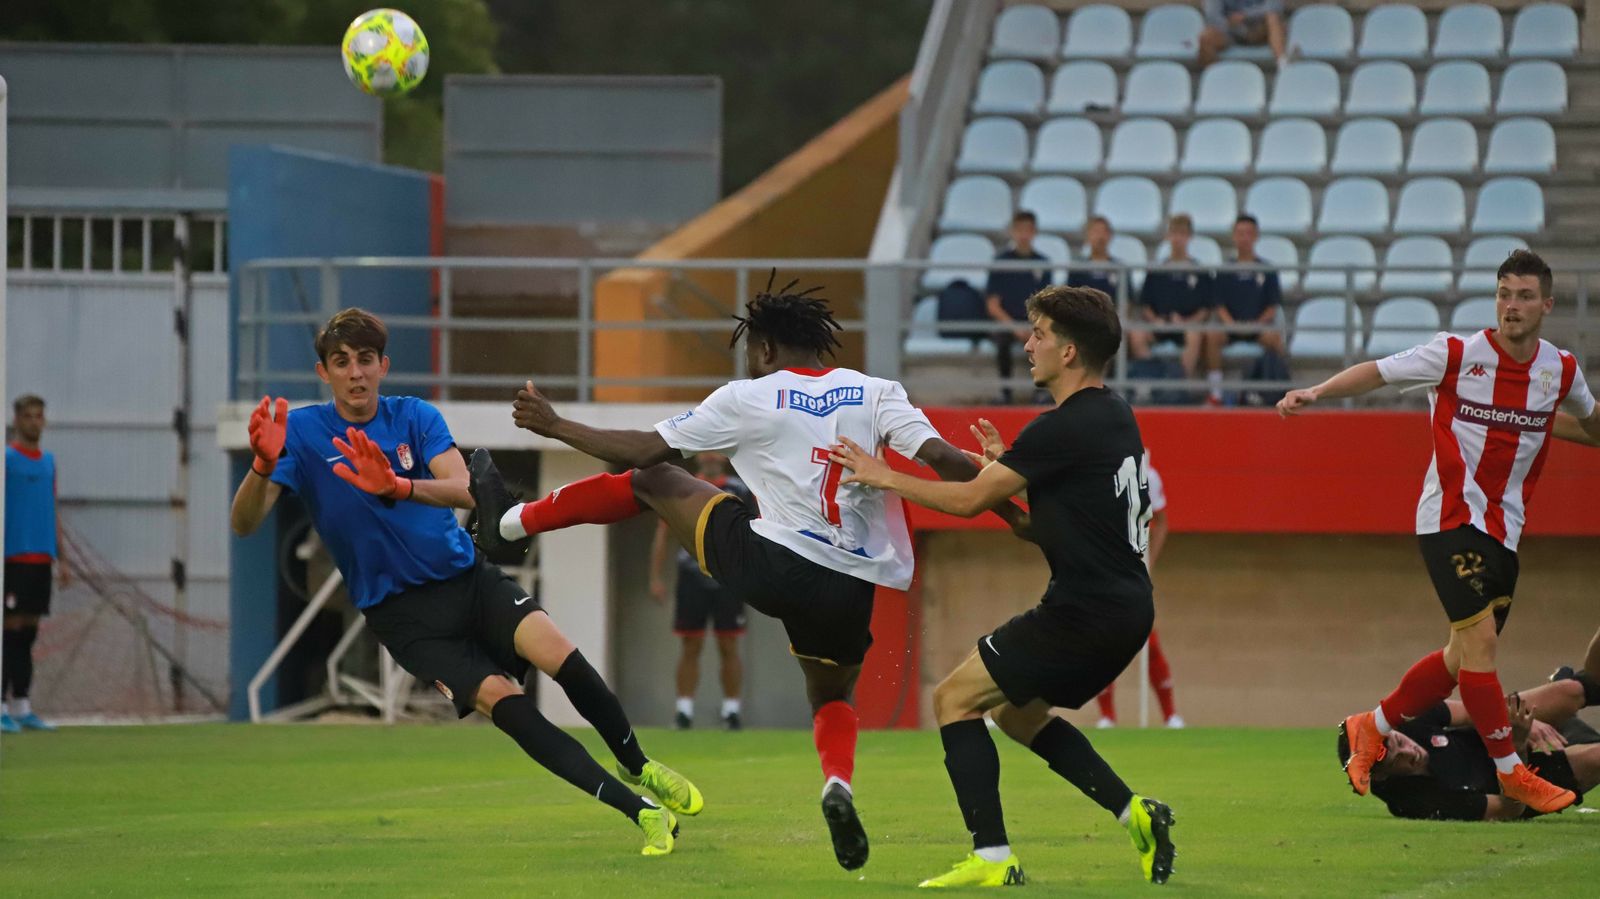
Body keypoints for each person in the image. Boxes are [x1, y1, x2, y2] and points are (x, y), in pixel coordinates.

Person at [472, 274, 1023, 872]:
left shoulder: (749, 396)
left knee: (654, 481)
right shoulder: (876, 391)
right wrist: (1014, 514)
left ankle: (509, 525)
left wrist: (556, 426)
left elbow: (643, 451)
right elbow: (942, 459)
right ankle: (837, 783)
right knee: (832, 694)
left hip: (775, 563)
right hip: (850, 585)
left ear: (763, 350)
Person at [229, 308, 698, 857]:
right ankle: (641, 813)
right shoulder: (305, 433)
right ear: (323, 372)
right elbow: (244, 524)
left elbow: (465, 489)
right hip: (405, 618)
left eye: (364, 360)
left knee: (562, 655)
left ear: (384, 366)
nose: (354, 373)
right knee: (509, 705)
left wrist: (398, 485)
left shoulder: (413, 417)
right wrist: (261, 466)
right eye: (341, 362)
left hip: (465, 577)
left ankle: (639, 765)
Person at [829, 285, 1175, 888]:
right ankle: (1134, 811)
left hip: (1085, 611)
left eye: (1039, 333)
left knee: (952, 700)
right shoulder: (1115, 414)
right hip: (1125, 609)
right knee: (1016, 716)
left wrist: (884, 476)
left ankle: (993, 857)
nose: (1028, 343)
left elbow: (965, 501)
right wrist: (1014, 478)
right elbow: (1042, 527)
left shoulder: (1059, 429)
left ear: (1069, 352)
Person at [1277, 249, 1600, 815]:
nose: (1511, 306)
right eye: (1504, 294)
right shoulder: (1456, 353)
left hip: (1504, 532)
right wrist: (1318, 393)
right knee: (1482, 643)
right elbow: (1378, 371)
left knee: (1458, 658)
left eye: (1524, 296)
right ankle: (1511, 771)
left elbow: (1586, 422)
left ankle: (1370, 725)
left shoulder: (1561, 370)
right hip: (1450, 517)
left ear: (1547, 304)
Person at [1339, 677, 1599, 821]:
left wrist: (1520, 726)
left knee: (1570, 691)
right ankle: (1577, 735)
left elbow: (1471, 710)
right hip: (1523, 778)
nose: (1409, 751)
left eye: (1399, 741)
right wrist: (1517, 745)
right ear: (1381, 776)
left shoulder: (1409, 717)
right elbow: (1509, 810)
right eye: (1398, 759)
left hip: (1493, 736)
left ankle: (1570, 717)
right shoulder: (1416, 801)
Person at [647, 452, 753, 730]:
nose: (711, 456)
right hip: (691, 575)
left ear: (724, 454)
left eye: (716, 449)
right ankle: (684, 710)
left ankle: (731, 710)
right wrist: (655, 576)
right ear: (697, 455)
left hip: (729, 578)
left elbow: (756, 531)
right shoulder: (682, 486)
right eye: (705, 449)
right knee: (690, 643)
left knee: (728, 643)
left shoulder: (739, 488)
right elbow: (662, 532)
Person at [1096, 453, 1181, 730]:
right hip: (1101, 570)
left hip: (1133, 573)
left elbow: (1162, 521)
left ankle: (1170, 716)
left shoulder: (1148, 475)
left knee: (1148, 640)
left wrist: (1148, 563)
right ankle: (1107, 716)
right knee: (1103, 644)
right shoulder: (1095, 470)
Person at [3, 395, 67, 734]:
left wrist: (62, 557)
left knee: (27, 633)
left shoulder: (48, 463)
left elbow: (51, 509)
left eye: (39, 416)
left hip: (40, 557)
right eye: (27, 416)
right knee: (8, 631)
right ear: (17, 420)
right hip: (12, 556)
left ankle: (22, 705)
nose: (34, 422)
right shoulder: (7, 460)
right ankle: (1, 705)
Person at [1206, 214, 1284, 405]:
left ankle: (1279, 390)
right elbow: (1219, 305)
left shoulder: (1267, 269)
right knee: (1211, 336)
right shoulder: (1225, 269)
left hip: (1258, 327)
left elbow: (1272, 306)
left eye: (1249, 233)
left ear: (1256, 236)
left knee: (1274, 338)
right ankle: (1215, 393)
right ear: (1234, 236)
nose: (1245, 238)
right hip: (1231, 327)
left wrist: (1256, 325)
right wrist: (1231, 325)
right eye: (1240, 233)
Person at [1131, 214, 1212, 385]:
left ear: (1189, 237)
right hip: (1160, 324)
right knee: (1137, 334)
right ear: (1168, 236)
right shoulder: (1156, 270)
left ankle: (1180, 386)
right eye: (1174, 233)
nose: (1178, 239)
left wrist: (1187, 321)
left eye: (1182, 234)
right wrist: (1155, 320)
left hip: (1186, 326)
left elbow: (1205, 309)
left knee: (1194, 335)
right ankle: (1152, 380)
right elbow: (1146, 305)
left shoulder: (1200, 270)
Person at [984, 210, 1053, 404]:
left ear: (1034, 232)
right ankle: (1005, 392)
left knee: (1049, 337)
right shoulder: (1000, 262)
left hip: (1033, 322)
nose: (1023, 235)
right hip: (1007, 321)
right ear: (1012, 232)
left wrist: (1032, 326)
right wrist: (1014, 326)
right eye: (1019, 230)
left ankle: (1042, 391)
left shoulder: (1043, 263)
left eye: (1028, 230)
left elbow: (1046, 302)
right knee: (1002, 338)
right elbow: (993, 305)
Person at [1199, 0, 1289, 69]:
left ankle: (1283, 65)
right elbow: (1213, 17)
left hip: (1258, 28)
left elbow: (1276, 6)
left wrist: (1245, 15)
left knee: (1273, 17)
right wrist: (1234, 27)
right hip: (1230, 31)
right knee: (1206, 38)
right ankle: (1217, 79)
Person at [1067, 216, 1124, 303]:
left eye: (1104, 231)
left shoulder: (1120, 268)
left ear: (1110, 236)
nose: (1100, 237)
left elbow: (1127, 301)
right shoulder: (1077, 268)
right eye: (1096, 231)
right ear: (1087, 236)